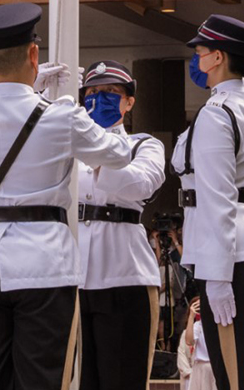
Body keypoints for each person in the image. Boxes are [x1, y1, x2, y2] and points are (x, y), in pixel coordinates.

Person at [0, 3, 134, 390]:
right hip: (43, 262)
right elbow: (119, 154)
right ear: (34, 54)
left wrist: (27, 84)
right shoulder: (62, 116)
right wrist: (75, 103)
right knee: (43, 379)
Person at [171, 14, 244, 390]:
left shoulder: (217, 114)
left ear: (217, 57)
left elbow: (217, 197)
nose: (197, 60)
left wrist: (216, 276)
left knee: (237, 378)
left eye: (201, 52)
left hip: (233, 258)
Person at [72, 60, 165, 390]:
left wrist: (97, 151)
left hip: (124, 274)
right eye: (93, 92)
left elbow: (141, 185)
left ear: (129, 101)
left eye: (111, 92)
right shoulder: (67, 147)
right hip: (72, 274)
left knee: (122, 376)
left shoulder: (143, 145)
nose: (100, 98)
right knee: (75, 379)